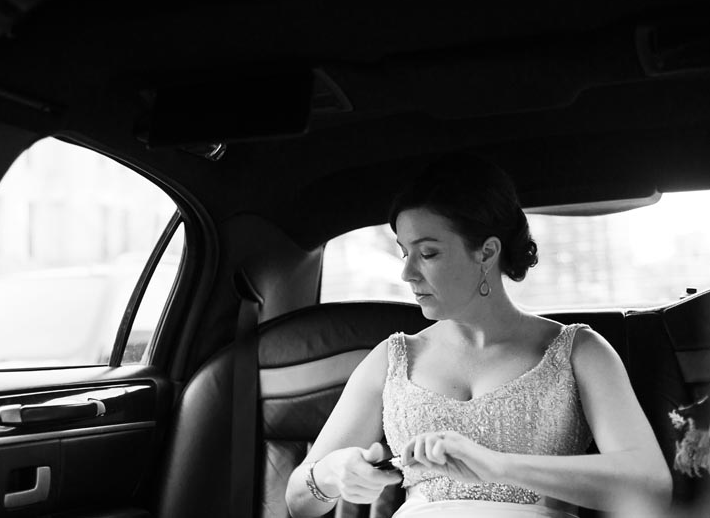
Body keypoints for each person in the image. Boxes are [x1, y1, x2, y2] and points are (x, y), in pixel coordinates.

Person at [284, 154, 672, 518]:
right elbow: (298, 501)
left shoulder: (578, 352)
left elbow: (650, 488)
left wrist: (498, 466)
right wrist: (333, 473)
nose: (408, 274)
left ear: (486, 252)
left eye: (429, 253)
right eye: (405, 252)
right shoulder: (393, 357)